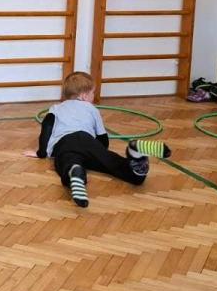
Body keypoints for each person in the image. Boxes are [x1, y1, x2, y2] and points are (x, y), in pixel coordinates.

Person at [35, 71, 149, 208]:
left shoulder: (55, 108)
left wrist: (41, 152)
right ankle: (134, 168)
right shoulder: (91, 109)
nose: (93, 96)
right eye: (93, 93)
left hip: (64, 142)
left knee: (66, 160)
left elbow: (46, 127)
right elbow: (103, 139)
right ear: (84, 96)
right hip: (86, 139)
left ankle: (74, 171)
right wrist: (98, 152)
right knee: (109, 160)